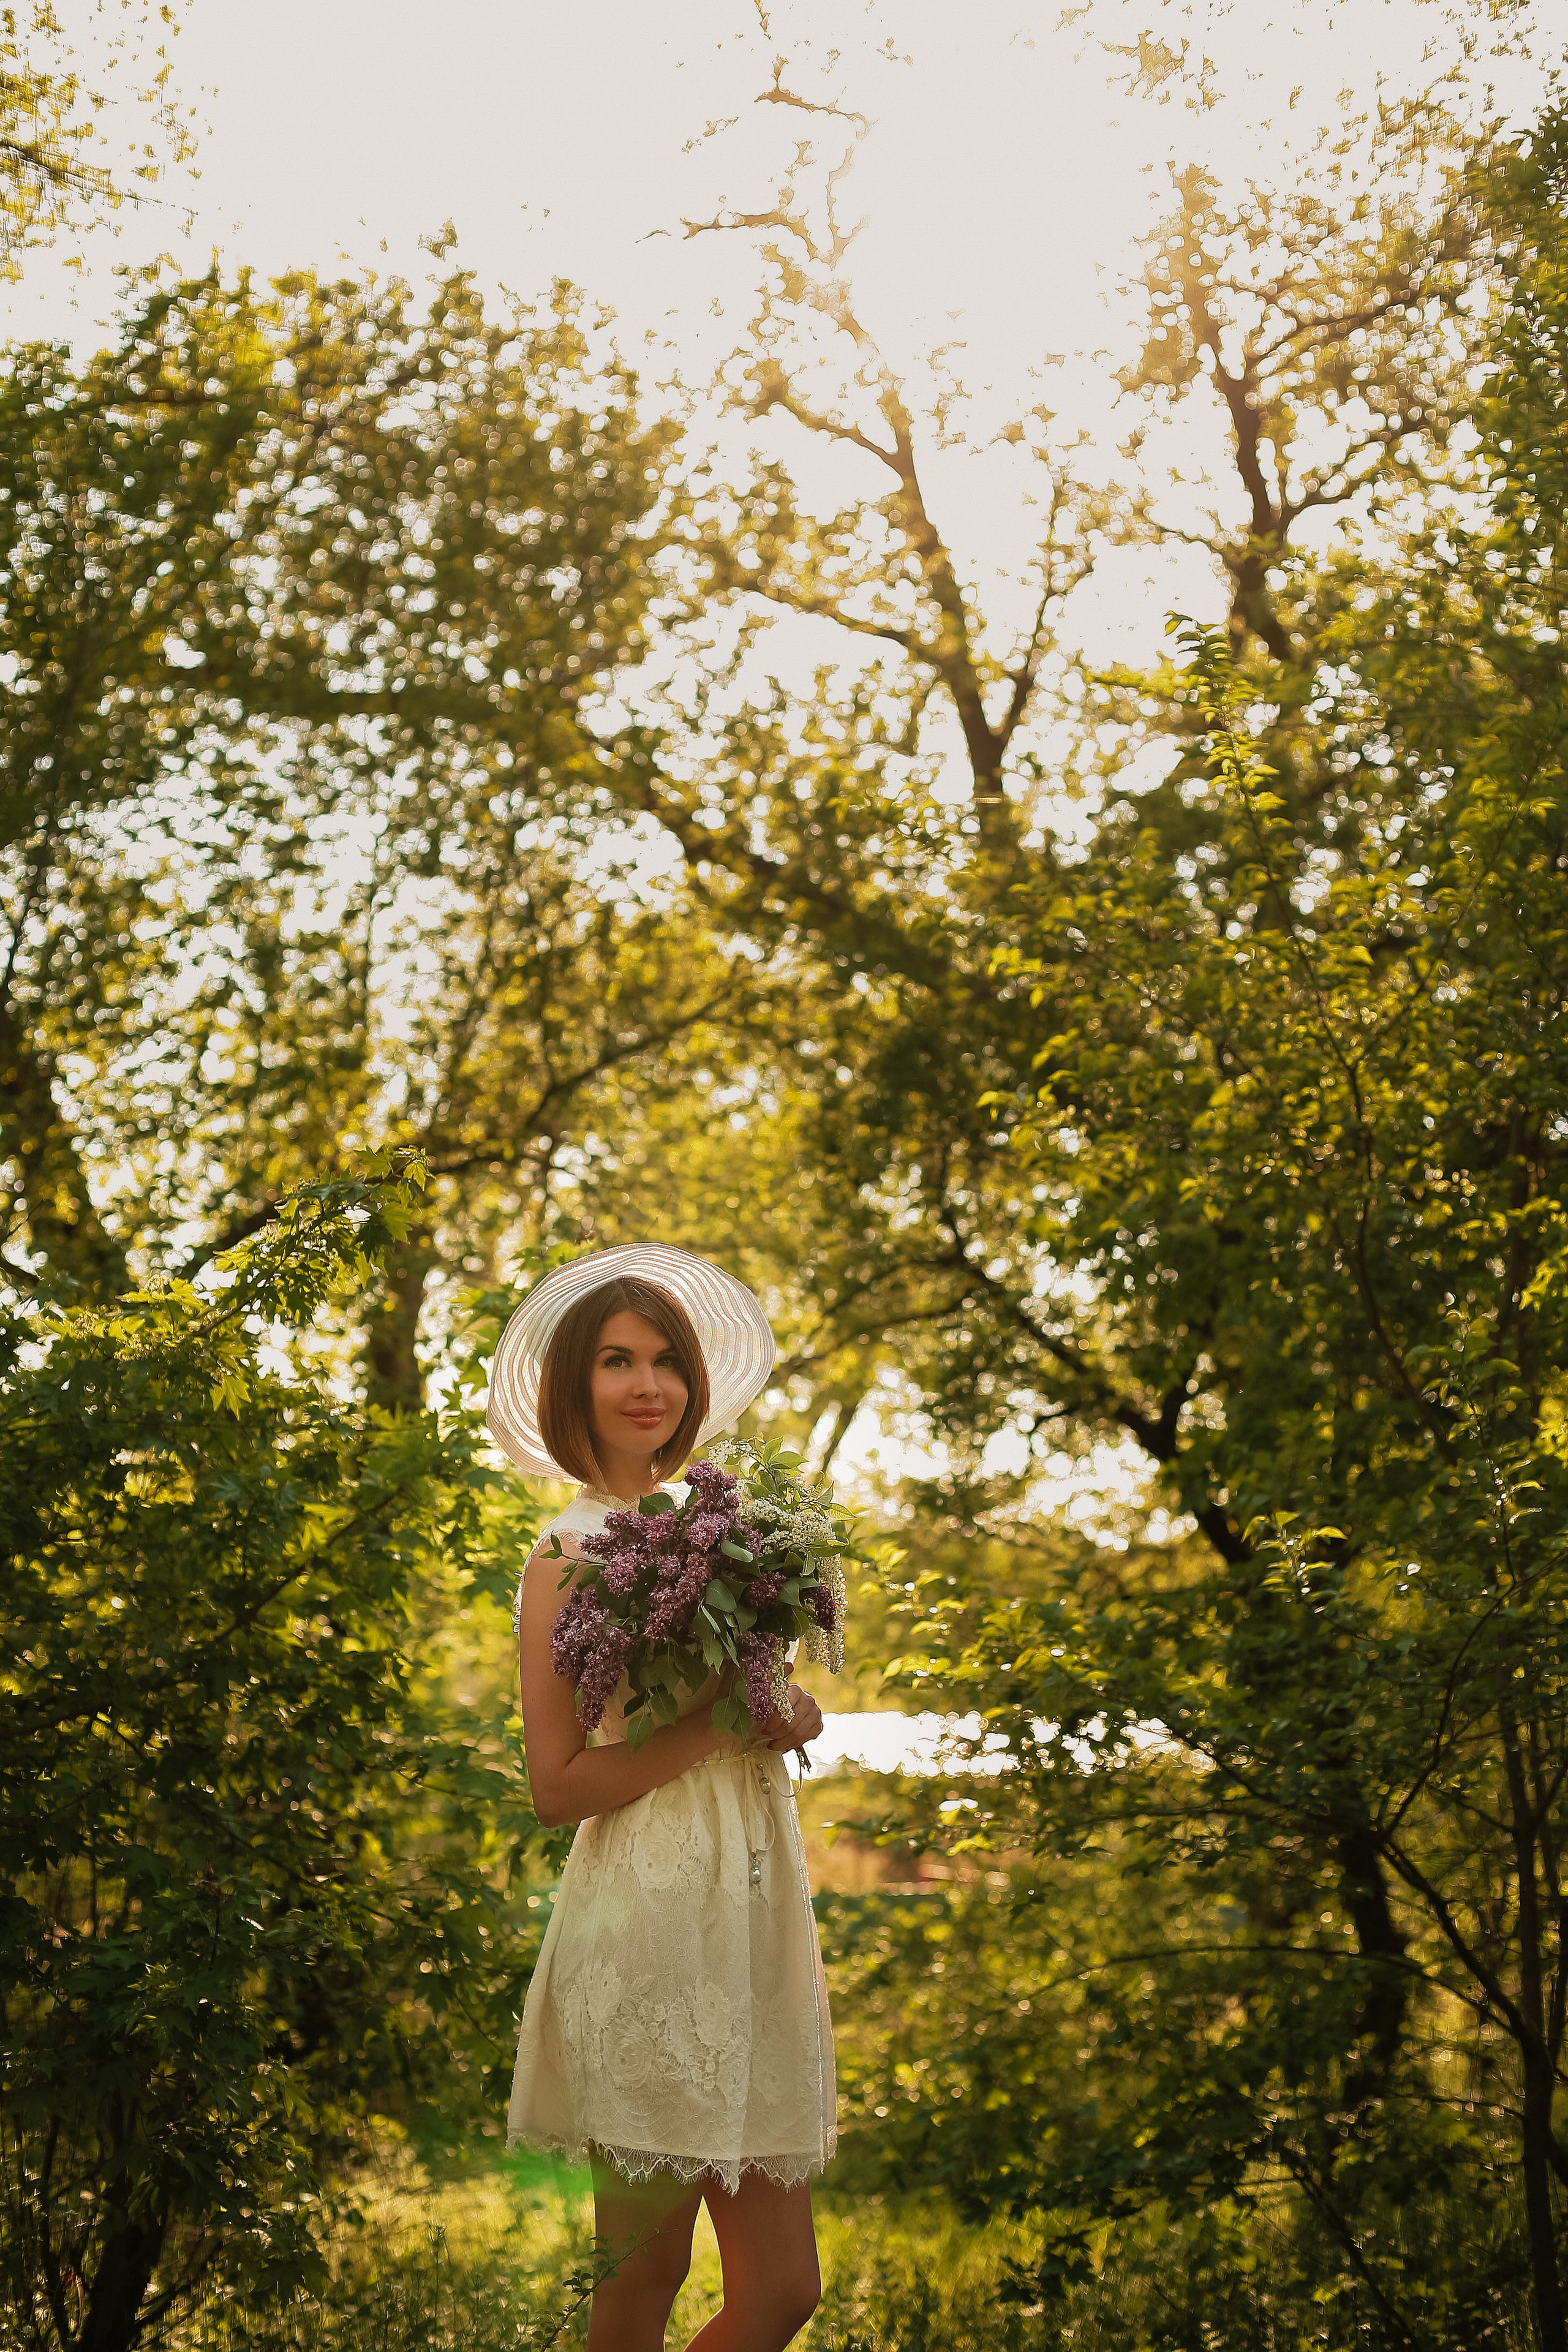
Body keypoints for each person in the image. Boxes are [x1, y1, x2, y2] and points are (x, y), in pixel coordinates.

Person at [488, 1245, 836, 2352]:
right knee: (644, 2280)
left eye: (667, 1361)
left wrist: (791, 1714)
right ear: (573, 1387)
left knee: (784, 2292)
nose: (649, 1384)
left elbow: (761, 1708)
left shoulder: (727, 1534)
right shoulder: (567, 1554)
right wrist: (710, 1727)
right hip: (647, 1925)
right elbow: (557, 1785)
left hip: (752, 1921)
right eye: (617, 1361)